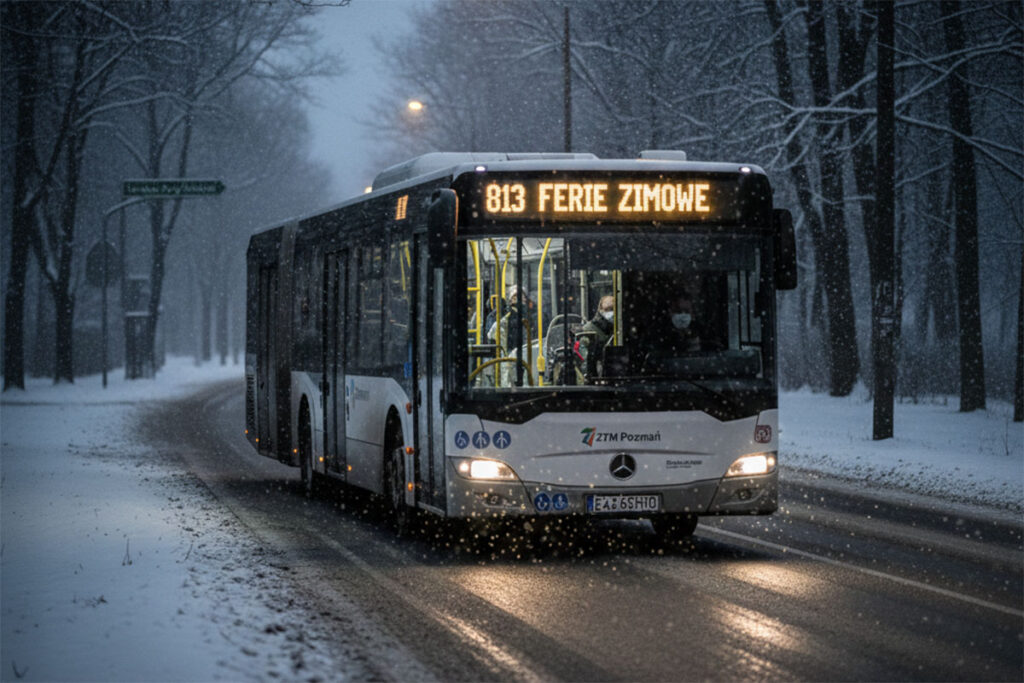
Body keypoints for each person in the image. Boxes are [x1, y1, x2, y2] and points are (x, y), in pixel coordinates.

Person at [579, 295, 615, 376]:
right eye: (607, 309)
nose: (611, 313)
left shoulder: (617, 330)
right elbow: (584, 360)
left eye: (613, 309)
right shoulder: (588, 330)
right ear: (600, 309)